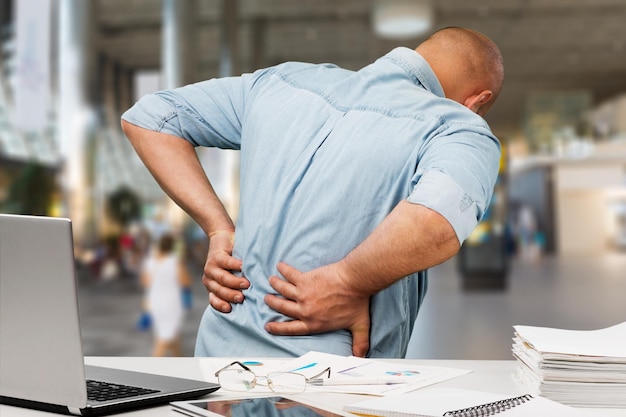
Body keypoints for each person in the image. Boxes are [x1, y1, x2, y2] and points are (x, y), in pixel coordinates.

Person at [121, 26, 504, 358]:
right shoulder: (457, 128)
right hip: (328, 384)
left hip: (217, 367)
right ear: (478, 101)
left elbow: (151, 117)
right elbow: (438, 221)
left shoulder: (281, 82)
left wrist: (219, 228)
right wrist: (348, 281)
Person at [141, 233, 192, 356]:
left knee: (173, 336)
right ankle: (151, 368)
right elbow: (185, 281)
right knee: (165, 337)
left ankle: (179, 363)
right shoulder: (175, 261)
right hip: (171, 302)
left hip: (154, 301)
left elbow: (145, 282)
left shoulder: (150, 261)